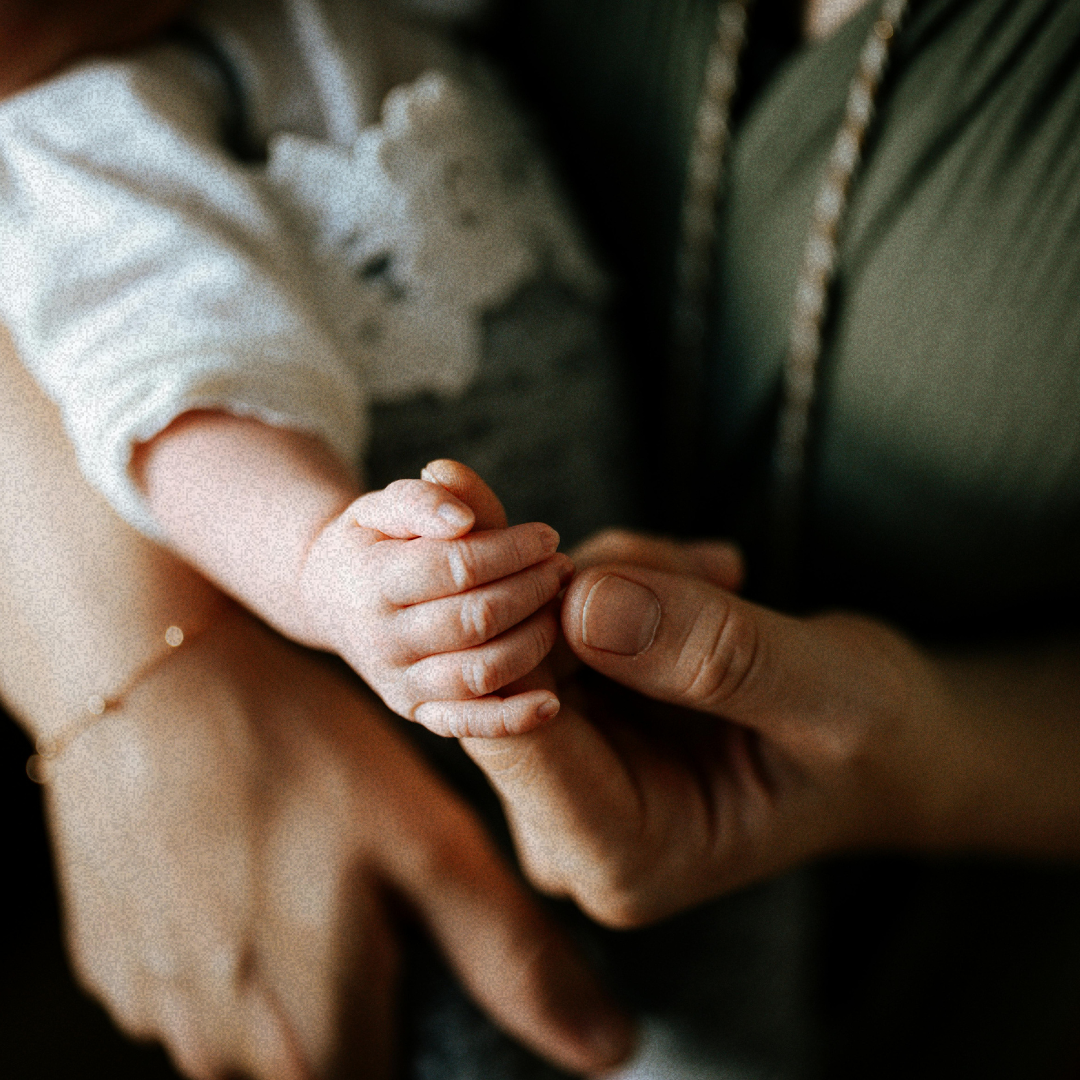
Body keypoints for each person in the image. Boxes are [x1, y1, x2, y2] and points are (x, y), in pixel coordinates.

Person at [6, 0, 1080, 1077]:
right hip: (402, 700)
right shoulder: (99, 134)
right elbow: (179, 405)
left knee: (745, 988)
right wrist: (320, 564)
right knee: (507, 1011)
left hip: (682, 705)